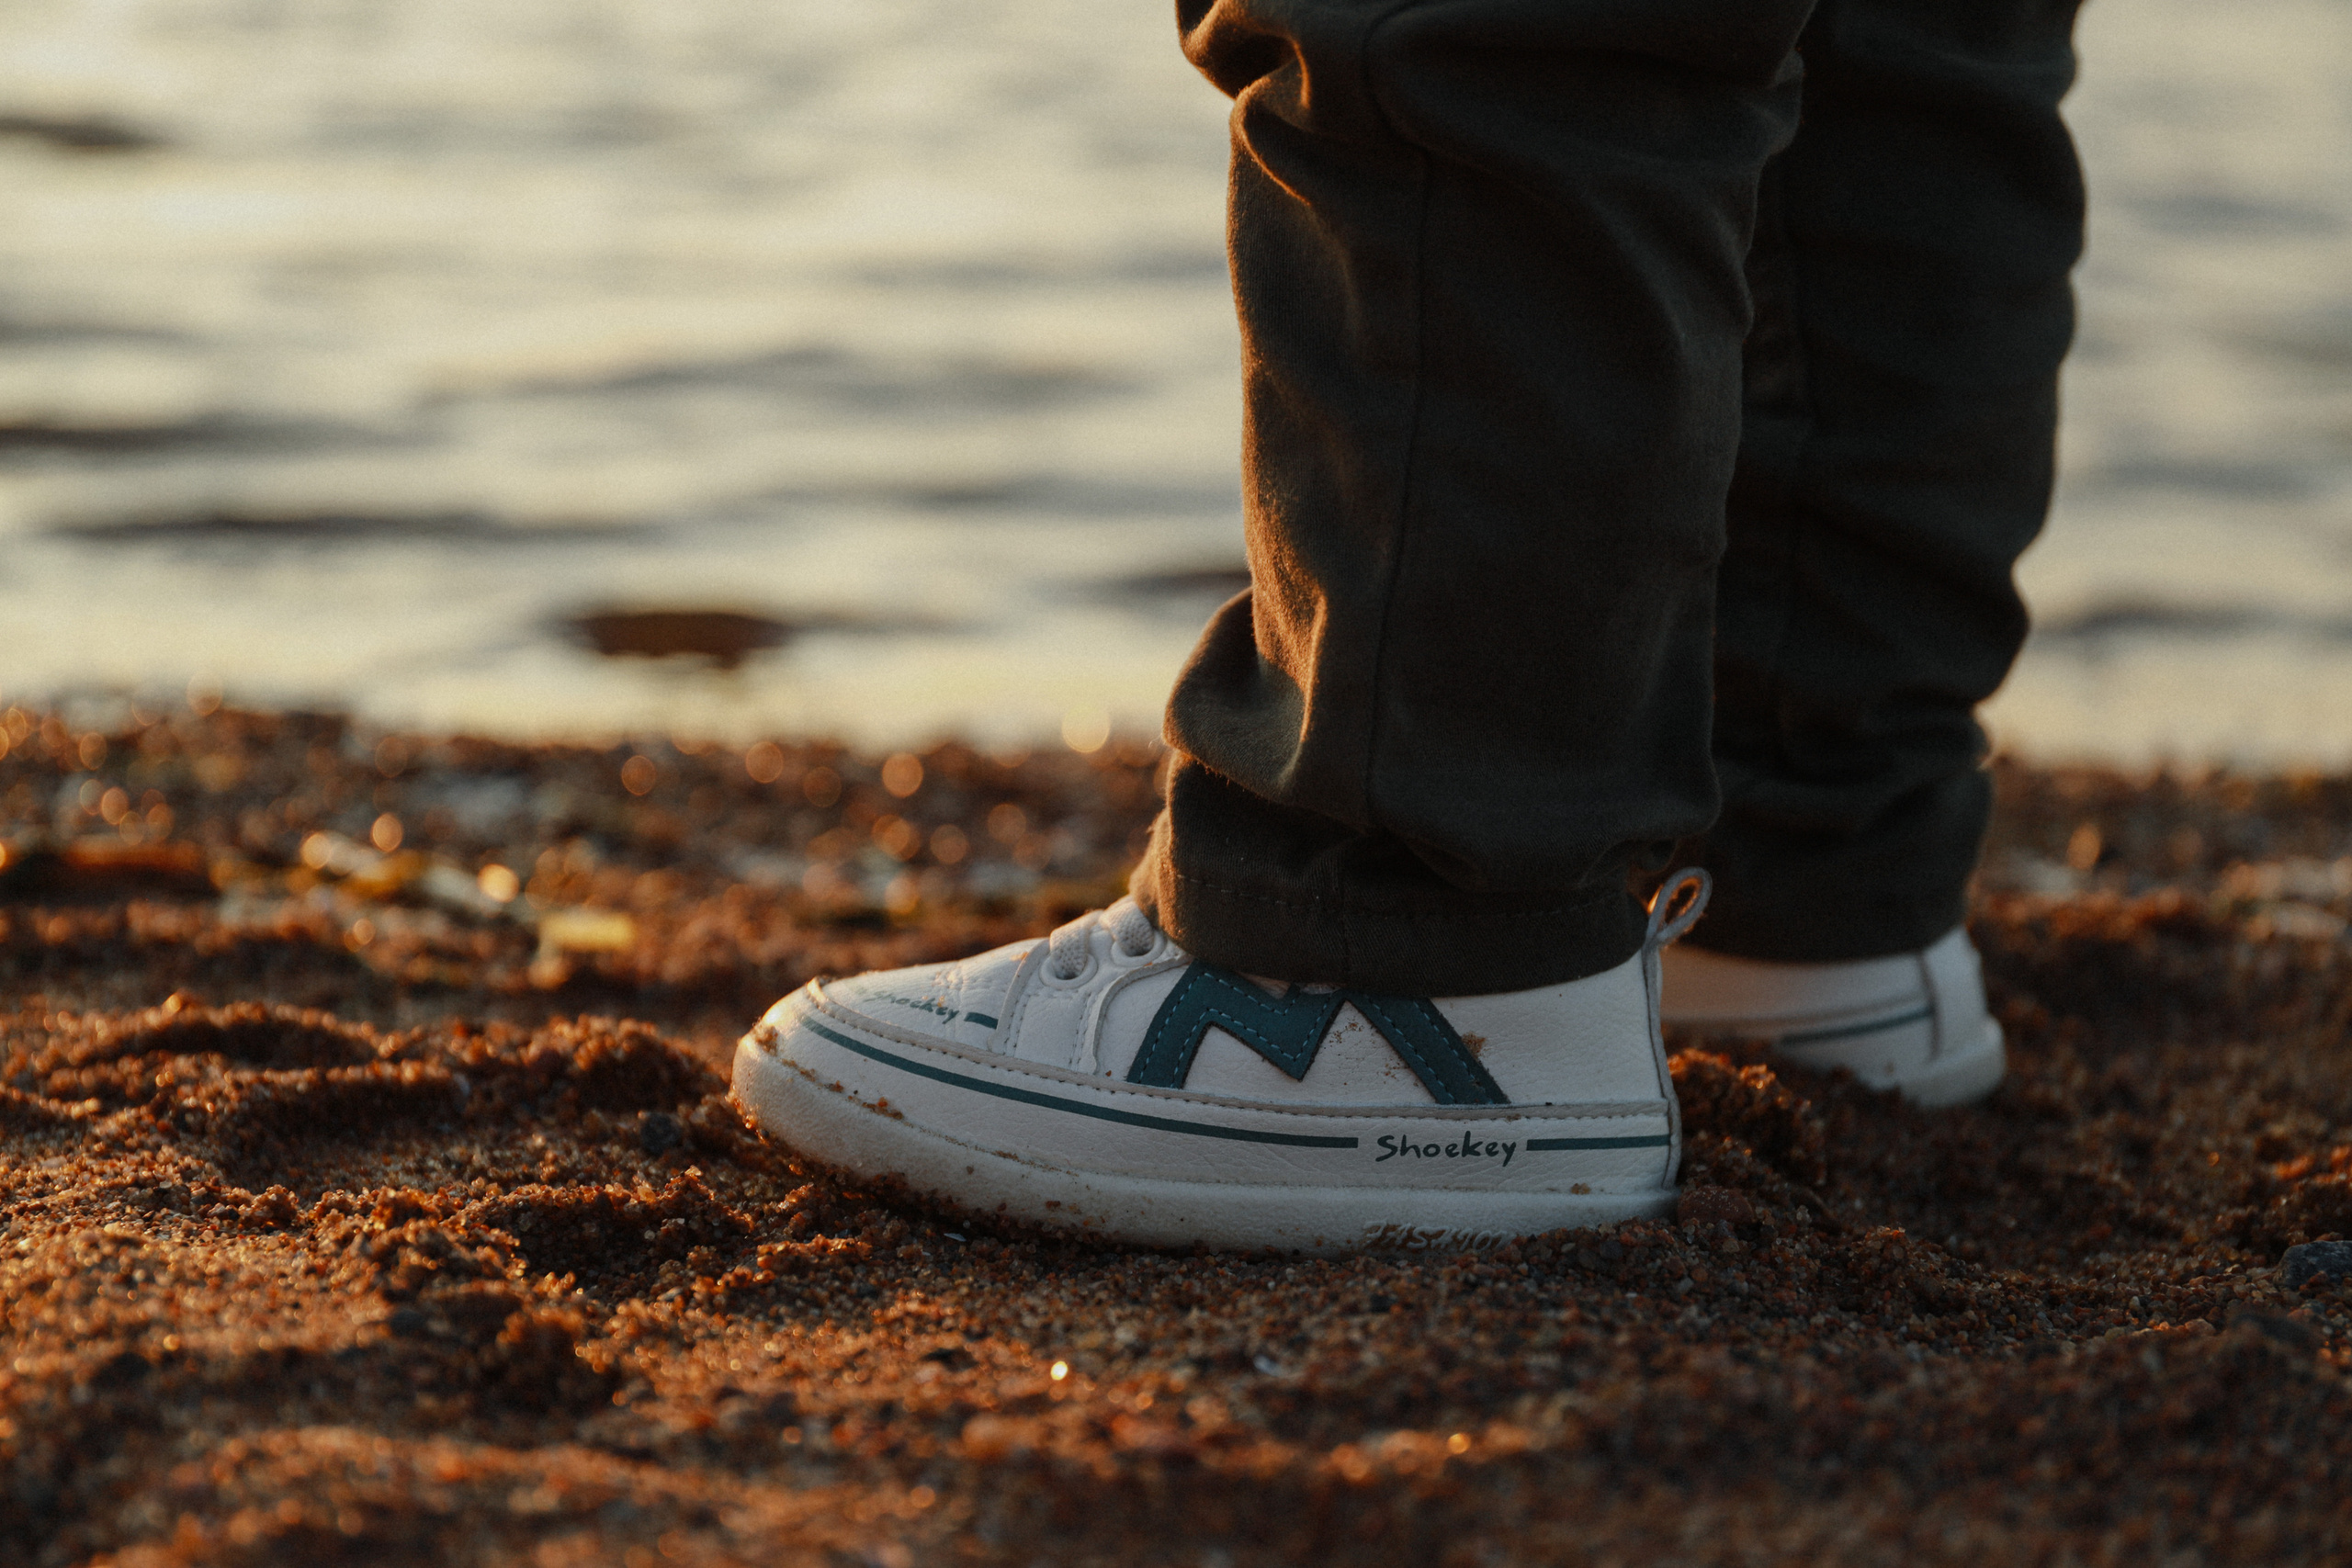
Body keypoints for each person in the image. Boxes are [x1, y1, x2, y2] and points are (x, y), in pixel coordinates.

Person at [732, 0, 2086, 1252]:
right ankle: (1805, 886)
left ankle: (1407, 943)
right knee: (1893, 29)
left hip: (1430, 958)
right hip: (1846, 842)